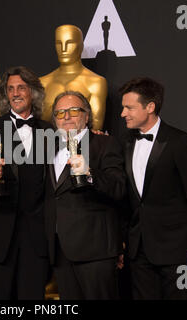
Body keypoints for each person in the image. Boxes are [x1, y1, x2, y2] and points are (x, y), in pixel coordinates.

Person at [119, 77, 187, 299]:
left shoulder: (180, 141)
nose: (122, 113)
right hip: (139, 251)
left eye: (129, 107)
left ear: (150, 107)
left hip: (179, 253)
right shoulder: (125, 142)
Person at [0, 66, 51, 299]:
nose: (16, 93)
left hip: (36, 240)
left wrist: (95, 137)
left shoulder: (49, 131)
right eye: (11, 89)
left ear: (33, 92)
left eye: (21, 88)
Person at [44, 91, 126, 299]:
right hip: (60, 250)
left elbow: (118, 188)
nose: (67, 117)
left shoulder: (105, 144)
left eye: (73, 111)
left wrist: (89, 174)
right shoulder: (46, 148)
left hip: (95, 251)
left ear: (87, 116)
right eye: (60, 113)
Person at [40, 24, 108, 130]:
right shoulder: (42, 82)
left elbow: (95, 128)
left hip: (83, 145)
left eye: (70, 43)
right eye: (59, 43)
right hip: (47, 144)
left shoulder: (96, 83)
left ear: (81, 46)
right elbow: (38, 126)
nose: (63, 49)